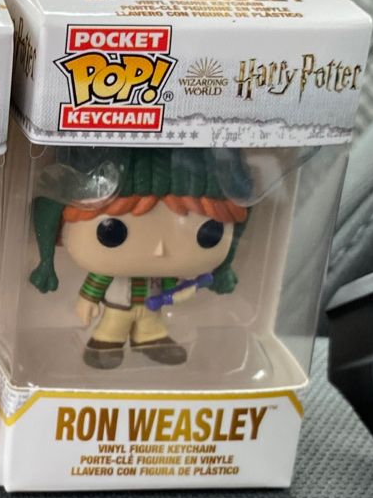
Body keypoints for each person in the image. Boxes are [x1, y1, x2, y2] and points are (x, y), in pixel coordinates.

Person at [28, 147, 252, 370]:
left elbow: (172, 290)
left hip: (151, 308)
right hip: (118, 307)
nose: (159, 250)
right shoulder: (110, 272)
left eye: (207, 233)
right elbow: (97, 282)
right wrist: (87, 300)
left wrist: (182, 291)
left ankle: (150, 340)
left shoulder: (164, 274)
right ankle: (107, 342)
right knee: (112, 327)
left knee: (151, 326)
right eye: (112, 232)